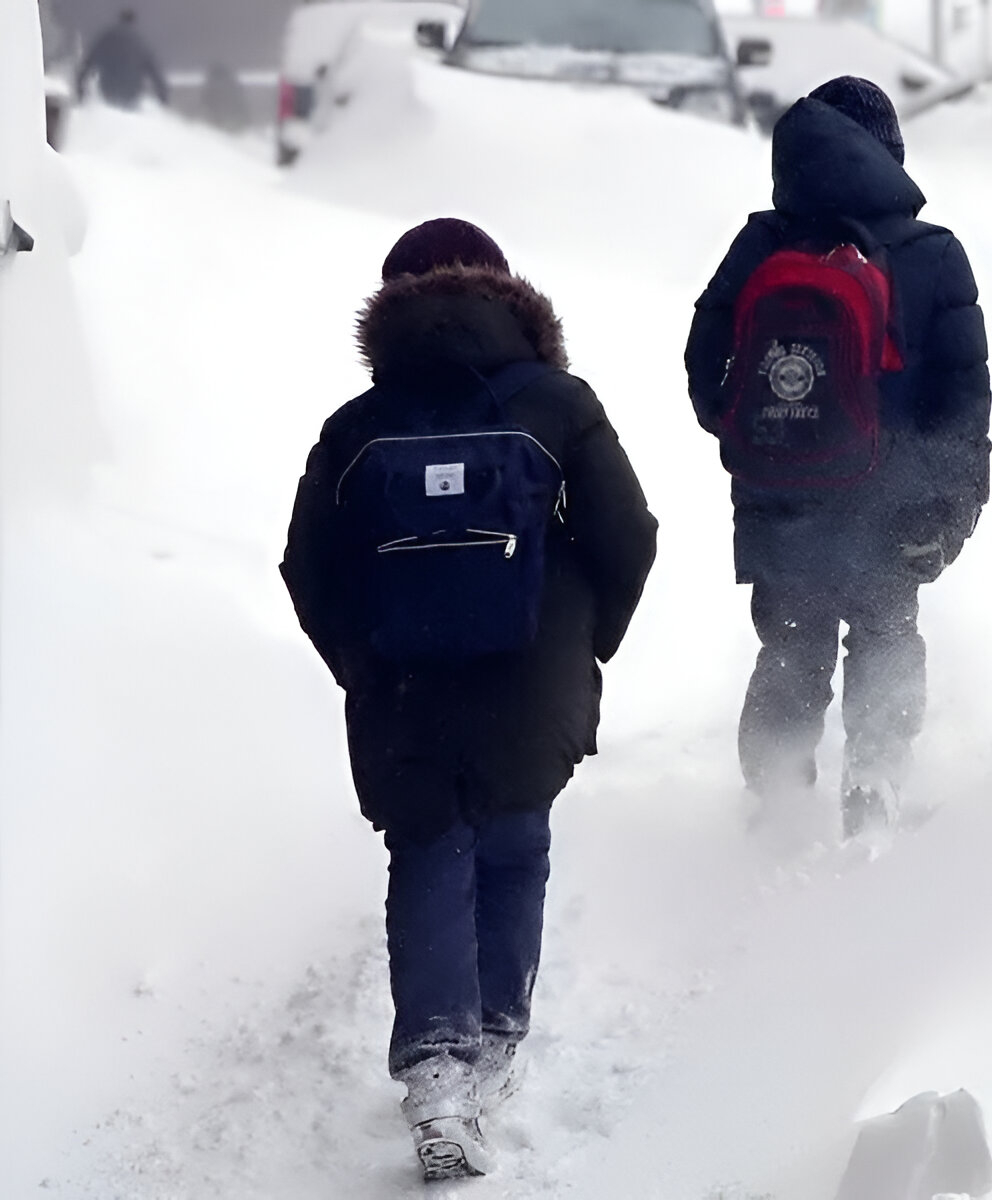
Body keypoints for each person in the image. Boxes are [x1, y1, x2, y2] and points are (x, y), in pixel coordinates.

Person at [281, 219, 657, 1180]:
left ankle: (439, 1071)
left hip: (402, 681)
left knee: (429, 851)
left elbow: (308, 566)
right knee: (514, 841)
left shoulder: (357, 427)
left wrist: (360, 661)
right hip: (533, 671)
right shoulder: (560, 405)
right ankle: (496, 1039)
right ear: (506, 294)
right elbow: (630, 535)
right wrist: (585, 641)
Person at [685, 76, 991, 837]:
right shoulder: (932, 253)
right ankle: (876, 787)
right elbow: (962, 397)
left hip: (779, 491)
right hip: (895, 494)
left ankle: (777, 800)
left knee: (791, 638)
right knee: (887, 631)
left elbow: (704, 363)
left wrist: (750, 440)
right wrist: (956, 505)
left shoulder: (760, 244)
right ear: (888, 153)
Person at [76, 9, 169, 110]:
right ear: (133, 21)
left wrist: (80, 87)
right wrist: (163, 96)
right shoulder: (141, 42)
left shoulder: (107, 38)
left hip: (108, 89)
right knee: (129, 115)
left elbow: (89, 63)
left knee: (110, 112)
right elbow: (154, 71)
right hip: (132, 92)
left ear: (120, 19)